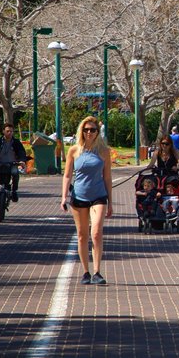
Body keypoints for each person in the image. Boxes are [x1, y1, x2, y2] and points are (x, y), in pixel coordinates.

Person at [60, 116, 113, 286]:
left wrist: (110, 202)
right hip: (79, 196)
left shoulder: (104, 151)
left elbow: (107, 177)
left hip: (98, 196)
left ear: (98, 132)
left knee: (96, 233)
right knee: (82, 235)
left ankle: (97, 271)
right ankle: (85, 272)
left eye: (92, 130)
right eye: (86, 130)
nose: (89, 133)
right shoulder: (74, 150)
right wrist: (64, 197)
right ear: (81, 131)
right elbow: (67, 175)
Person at [0, 123, 28, 212]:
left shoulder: (16, 142)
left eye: (11, 131)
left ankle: (14, 191)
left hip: (12, 164)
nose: (9, 133)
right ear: (3, 132)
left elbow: (21, 152)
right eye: (7, 131)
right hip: (0, 164)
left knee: (15, 173)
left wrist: (21, 161)